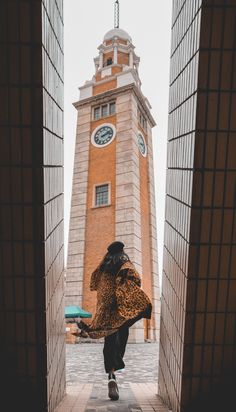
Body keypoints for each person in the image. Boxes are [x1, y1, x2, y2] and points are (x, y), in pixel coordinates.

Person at [73, 241, 152, 401]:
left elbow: (94, 283)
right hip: (120, 308)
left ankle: (111, 374)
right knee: (121, 334)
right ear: (121, 249)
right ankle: (115, 364)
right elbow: (134, 277)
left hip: (106, 306)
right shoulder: (123, 259)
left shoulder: (104, 264)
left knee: (108, 339)